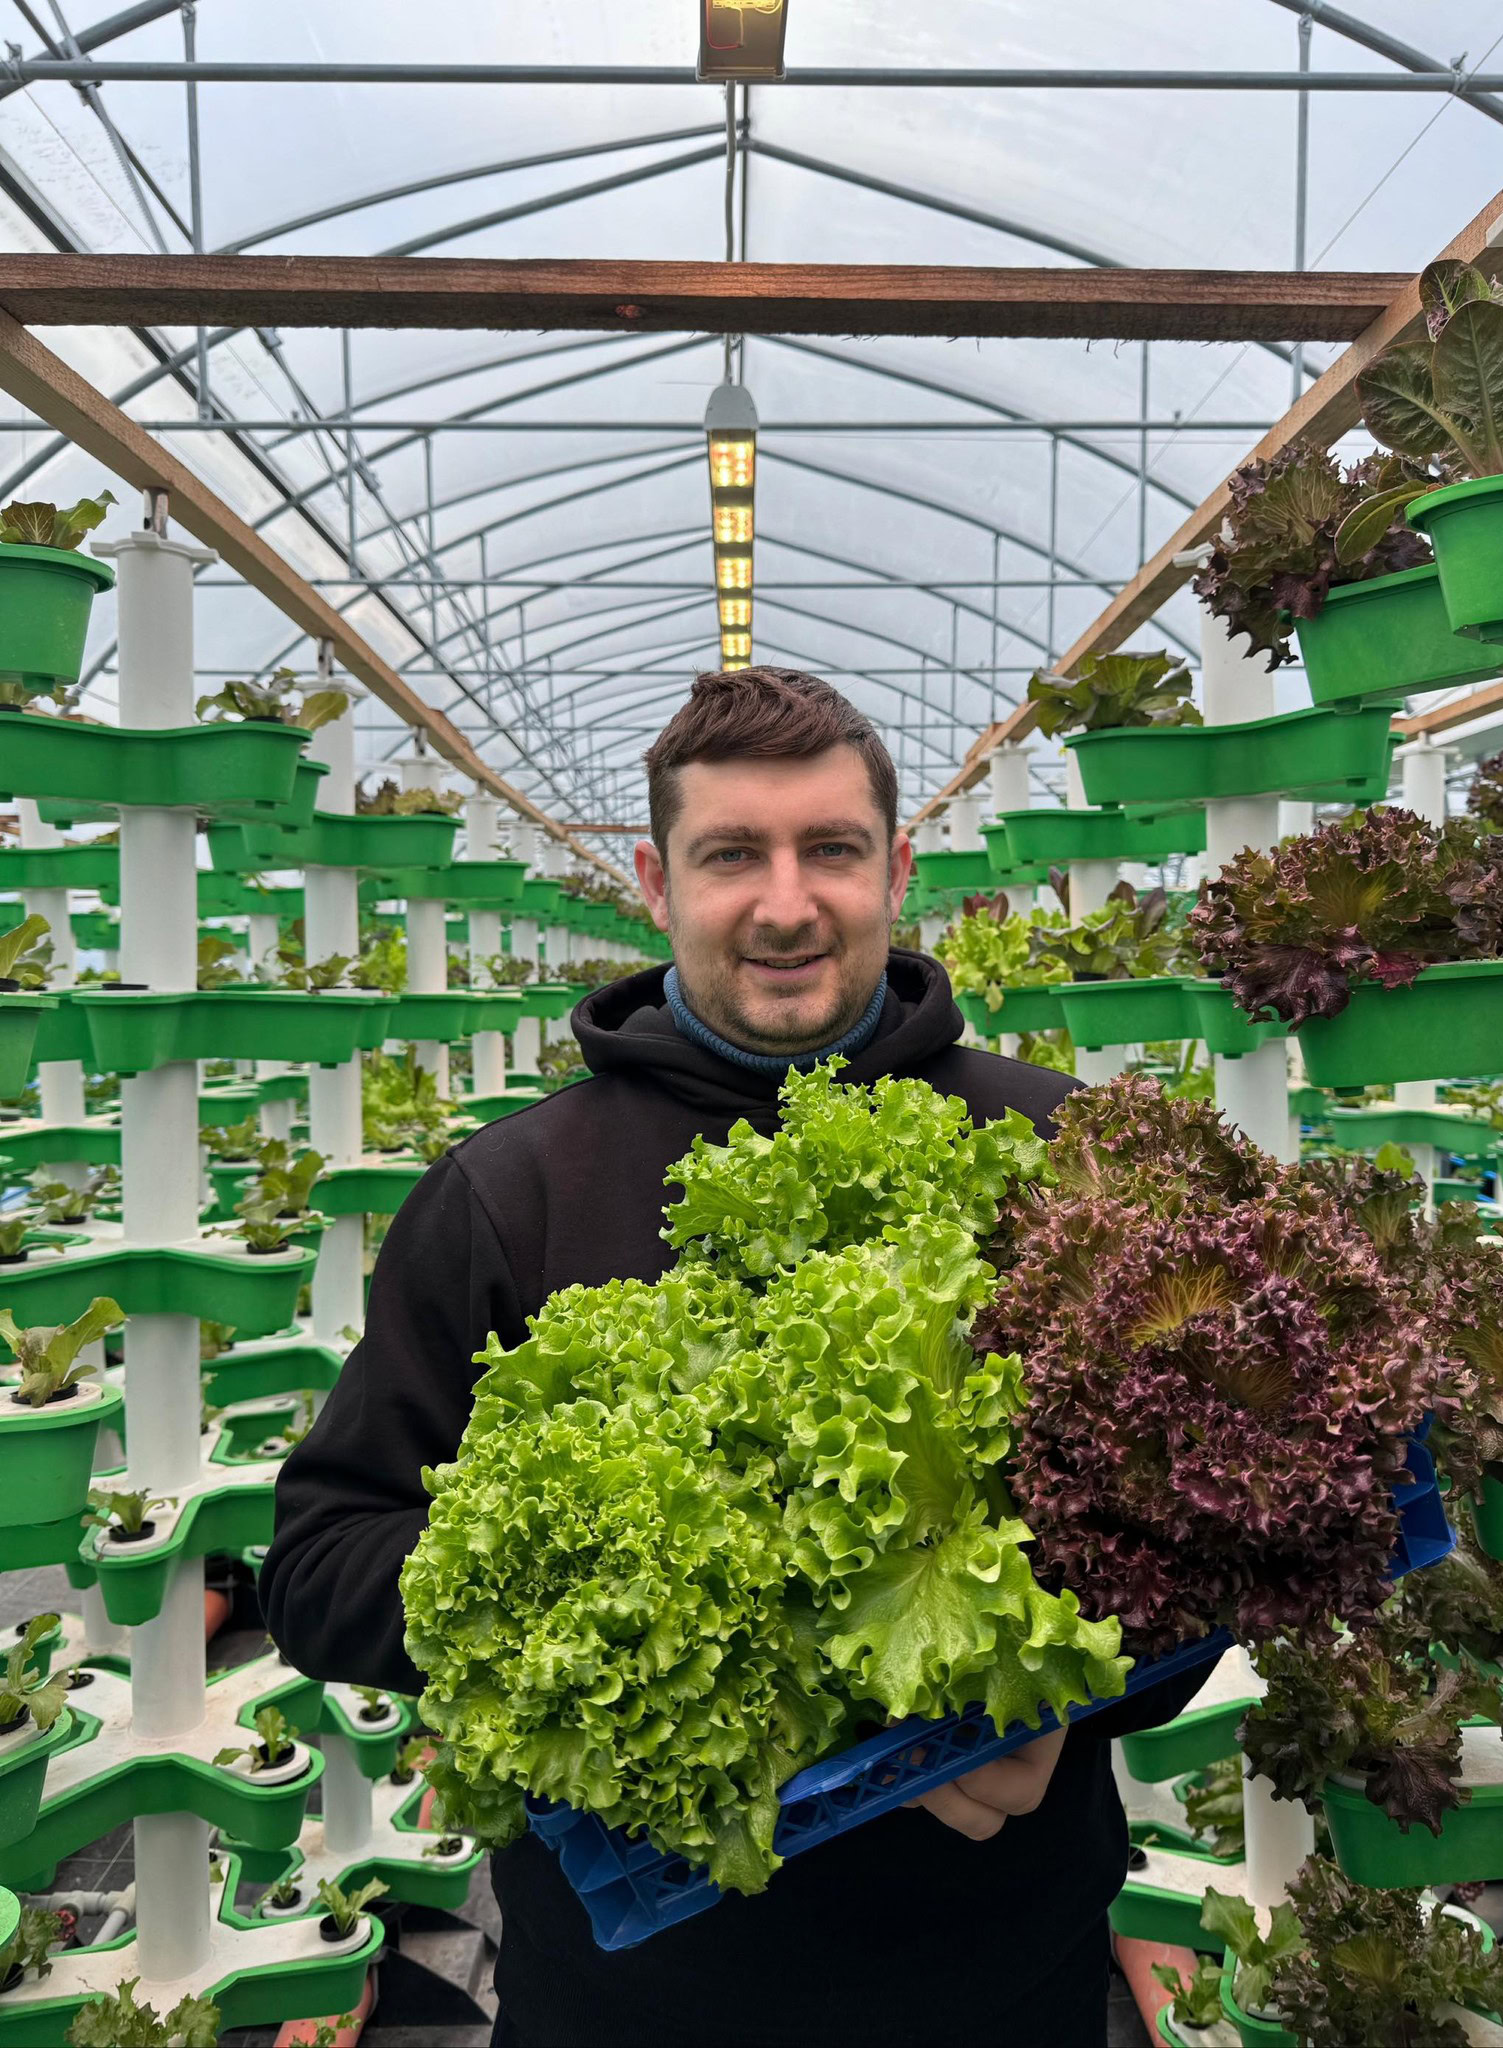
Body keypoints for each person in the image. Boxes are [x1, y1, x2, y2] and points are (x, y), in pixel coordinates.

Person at [261, 666, 1207, 2048]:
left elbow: (1206, 1533)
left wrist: (1067, 1689)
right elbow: (319, 1562)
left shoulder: (1061, 1156)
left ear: (898, 866)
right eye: (728, 856)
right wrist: (587, 1595)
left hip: (995, 1976)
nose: (782, 903)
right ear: (654, 881)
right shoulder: (507, 1193)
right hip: (629, 2000)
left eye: (828, 849)